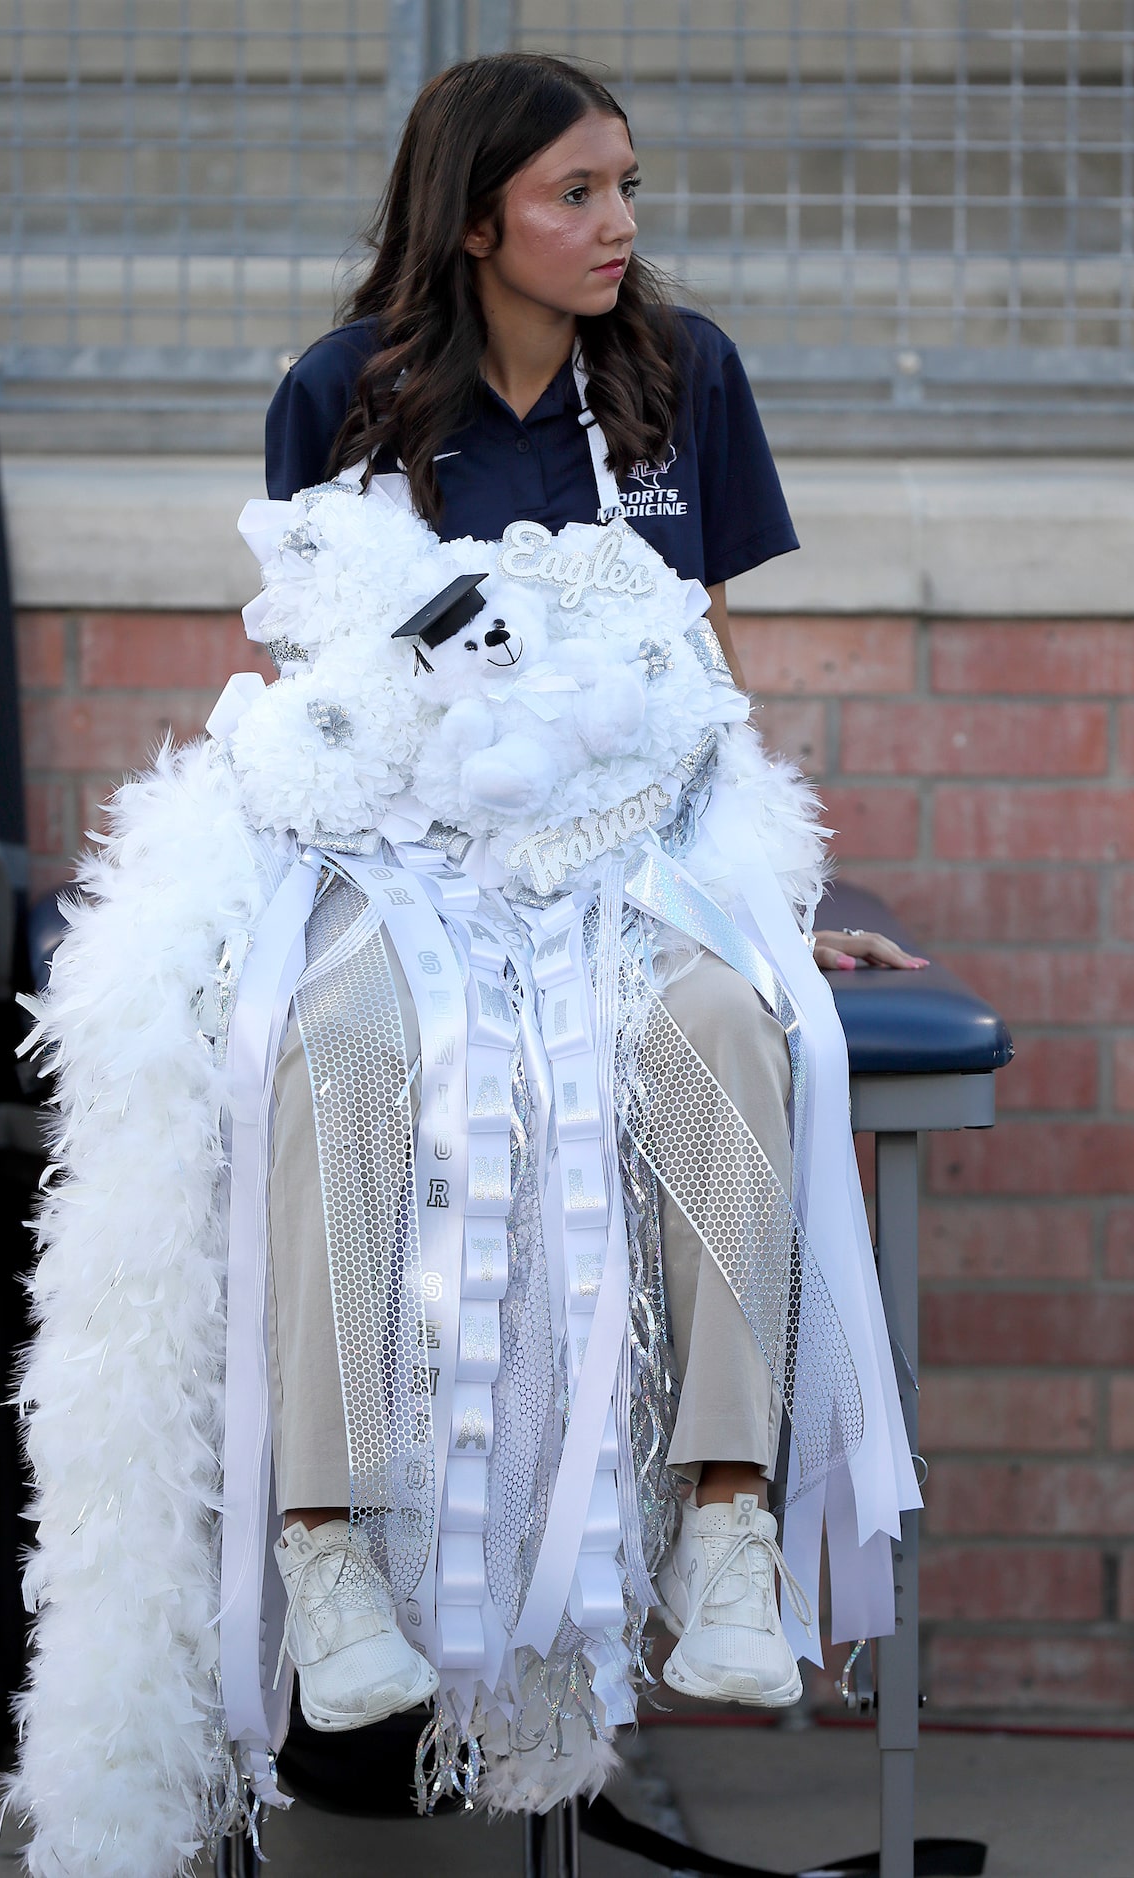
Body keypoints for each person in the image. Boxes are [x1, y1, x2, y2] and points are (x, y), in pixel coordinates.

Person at [260, 52, 924, 1743]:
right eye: (577, 194)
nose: (618, 223)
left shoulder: (686, 377)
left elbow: (709, 667)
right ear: (475, 220)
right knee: (334, 1046)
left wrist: (769, 897)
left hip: (632, 868)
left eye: (626, 183)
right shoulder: (344, 392)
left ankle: (726, 1519)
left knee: (728, 1022)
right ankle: (327, 1549)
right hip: (413, 870)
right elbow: (310, 690)